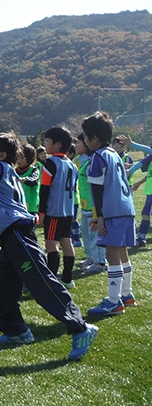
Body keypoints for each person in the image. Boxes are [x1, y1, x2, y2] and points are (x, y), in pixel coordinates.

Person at [0, 118, 98, 361]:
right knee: (2, 289)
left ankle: (81, 327)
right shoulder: (3, 170)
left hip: (17, 234)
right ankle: (17, 331)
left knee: (40, 282)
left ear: (0, 155)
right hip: (10, 238)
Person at [82, 113, 137, 315]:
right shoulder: (114, 154)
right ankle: (127, 294)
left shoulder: (98, 157)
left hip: (111, 211)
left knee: (111, 253)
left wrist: (99, 217)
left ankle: (114, 302)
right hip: (126, 208)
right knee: (122, 251)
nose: (86, 142)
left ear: (94, 138)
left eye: (86, 138)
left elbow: (97, 190)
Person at [38, 126, 78, 289]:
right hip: (68, 211)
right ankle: (67, 279)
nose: (45, 144)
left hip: (54, 211)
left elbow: (45, 189)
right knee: (66, 242)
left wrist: (42, 212)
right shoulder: (71, 165)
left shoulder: (49, 163)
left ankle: (51, 281)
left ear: (58, 145)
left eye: (47, 141)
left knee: (50, 244)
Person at [75, 133, 107, 273]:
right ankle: (92, 258)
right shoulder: (82, 161)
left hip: (92, 206)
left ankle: (100, 262)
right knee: (87, 235)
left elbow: (97, 187)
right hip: (85, 205)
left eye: (78, 143)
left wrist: (97, 210)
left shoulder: (91, 162)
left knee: (95, 235)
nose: (76, 146)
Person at [119, 134, 152, 247]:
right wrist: (130, 171)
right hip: (150, 192)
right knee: (145, 214)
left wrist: (132, 144)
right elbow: (141, 163)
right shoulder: (150, 158)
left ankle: (141, 238)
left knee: (145, 214)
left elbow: (147, 150)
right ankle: (141, 238)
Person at [16, 143, 40, 218]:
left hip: (30, 206)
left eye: (21, 157)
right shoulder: (15, 171)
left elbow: (33, 181)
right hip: (18, 205)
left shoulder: (34, 170)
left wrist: (23, 180)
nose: (18, 160)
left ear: (29, 159)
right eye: (17, 157)